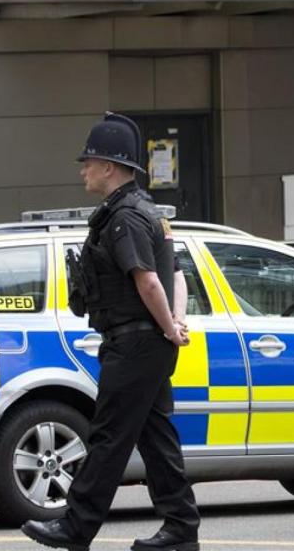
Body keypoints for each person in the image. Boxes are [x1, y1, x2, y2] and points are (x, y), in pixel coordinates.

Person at [22, 113, 200, 551]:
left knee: (108, 436)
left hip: (135, 343)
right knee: (155, 437)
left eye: (89, 161)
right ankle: (180, 526)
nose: (82, 169)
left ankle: (76, 527)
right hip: (147, 341)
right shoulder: (146, 213)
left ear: (110, 167)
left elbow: (150, 280)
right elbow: (175, 274)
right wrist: (175, 323)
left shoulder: (123, 218)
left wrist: (169, 328)